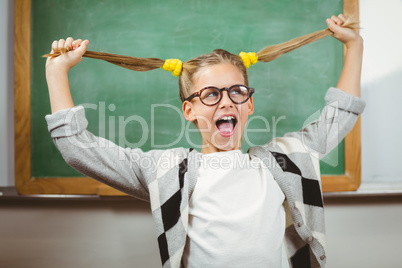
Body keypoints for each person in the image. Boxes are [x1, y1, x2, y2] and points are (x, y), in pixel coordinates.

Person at [44, 15, 365, 268]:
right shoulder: (168, 171)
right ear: (189, 109)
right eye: (211, 94)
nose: (226, 102)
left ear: (249, 104)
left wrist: (354, 48)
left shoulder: (280, 164)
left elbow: (338, 117)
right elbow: (77, 148)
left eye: (236, 91)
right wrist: (57, 72)